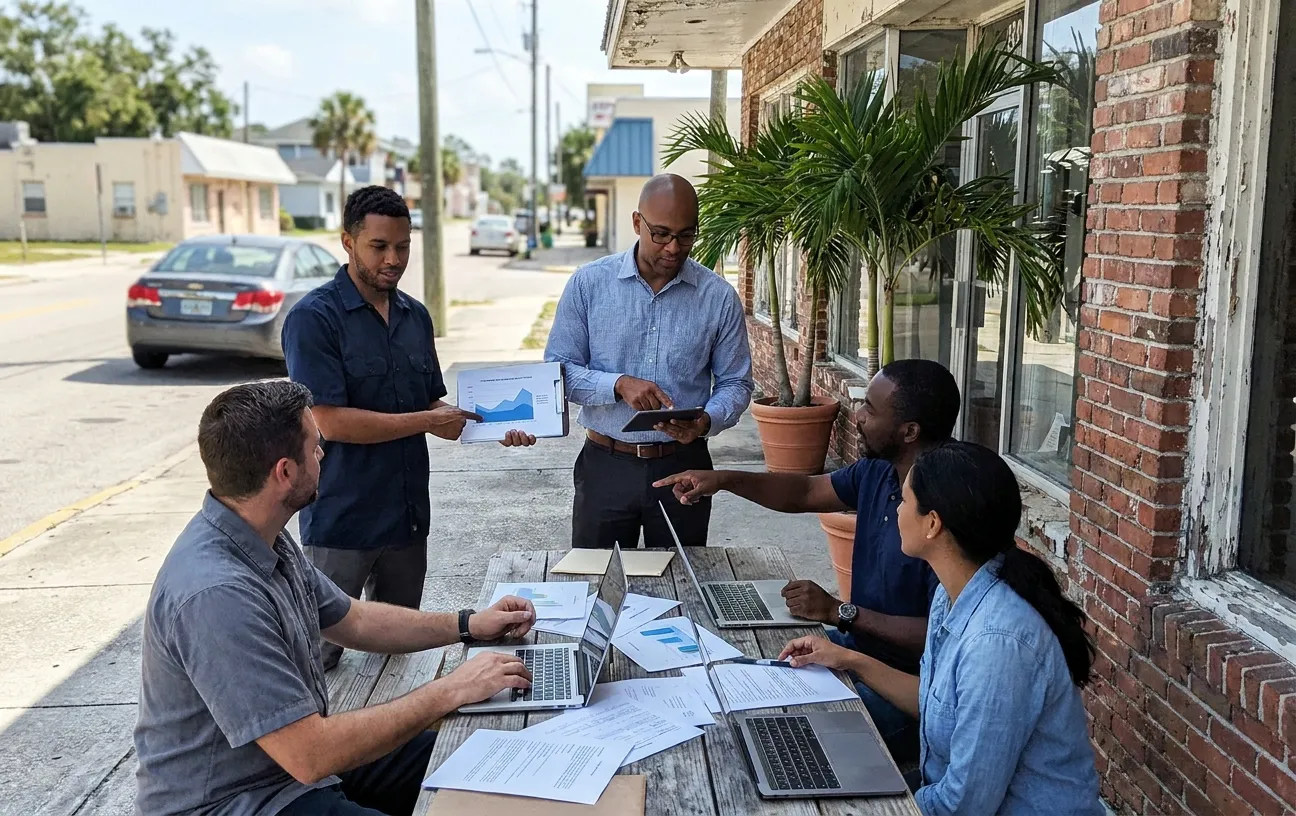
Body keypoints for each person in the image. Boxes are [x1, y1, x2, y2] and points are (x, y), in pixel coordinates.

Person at [134, 381, 536, 816]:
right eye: (315, 446)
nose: (323, 454)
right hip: (236, 801)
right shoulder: (216, 595)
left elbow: (354, 620)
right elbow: (310, 754)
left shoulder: (260, 533)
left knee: (485, 760)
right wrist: (451, 689)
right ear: (285, 472)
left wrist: (468, 624)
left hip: (290, 772)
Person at [654, 359, 960, 762]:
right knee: (735, 671)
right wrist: (724, 480)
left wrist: (839, 612)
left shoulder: (949, 511)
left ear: (909, 431)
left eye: (870, 409)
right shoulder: (879, 470)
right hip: (856, 650)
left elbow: (944, 635)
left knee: (770, 735)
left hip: (907, 689)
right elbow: (804, 492)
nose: (858, 416)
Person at [282, 185, 534, 670]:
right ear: (348, 242)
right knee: (318, 658)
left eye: (403, 246)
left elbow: (432, 407)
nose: (393, 259)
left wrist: (495, 426)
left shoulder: (415, 316)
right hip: (342, 521)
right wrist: (428, 419)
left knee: (398, 654)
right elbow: (329, 421)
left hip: (407, 520)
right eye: (379, 246)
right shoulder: (313, 319)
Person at [779, 441, 1102, 814]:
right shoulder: (954, 593)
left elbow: (964, 805)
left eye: (904, 501)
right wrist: (848, 660)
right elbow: (936, 703)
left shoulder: (997, 643)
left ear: (932, 524)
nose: (896, 510)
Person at [545, 173, 753, 549]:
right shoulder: (589, 285)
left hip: (684, 467)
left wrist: (706, 421)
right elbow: (558, 372)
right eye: (661, 234)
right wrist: (618, 385)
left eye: (686, 235)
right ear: (637, 222)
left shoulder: (718, 298)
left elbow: (736, 382)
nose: (673, 248)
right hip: (605, 465)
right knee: (598, 576)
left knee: (682, 578)